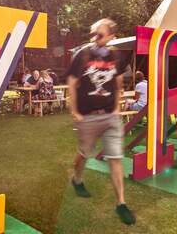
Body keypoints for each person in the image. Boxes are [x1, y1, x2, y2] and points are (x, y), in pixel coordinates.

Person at [67, 18, 135, 225]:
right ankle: (77, 179)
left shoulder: (115, 56)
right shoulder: (83, 54)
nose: (94, 37)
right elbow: (72, 82)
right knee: (83, 154)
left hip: (109, 117)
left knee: (115, 158)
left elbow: (118, 81)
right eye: (93, 33)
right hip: (88, 116)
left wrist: (116, 108)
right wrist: (75, 111)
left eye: (100, 34)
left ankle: (121, 203)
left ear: (111, 36)